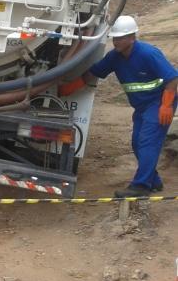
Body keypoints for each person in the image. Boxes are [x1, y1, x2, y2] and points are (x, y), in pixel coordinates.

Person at [59, 15, 177, 197]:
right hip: (142, 106)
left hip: (158, 102)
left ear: (132, 37)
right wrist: (69, 87)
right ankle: (153, 181)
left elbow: (172, 78)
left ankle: (141, 187)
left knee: (147, 141)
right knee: (137, 143)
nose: (116, 41)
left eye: (120, 38)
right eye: (114, 38)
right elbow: (93, 73)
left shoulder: (148, 53)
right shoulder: (114, 57)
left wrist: (166, 106)